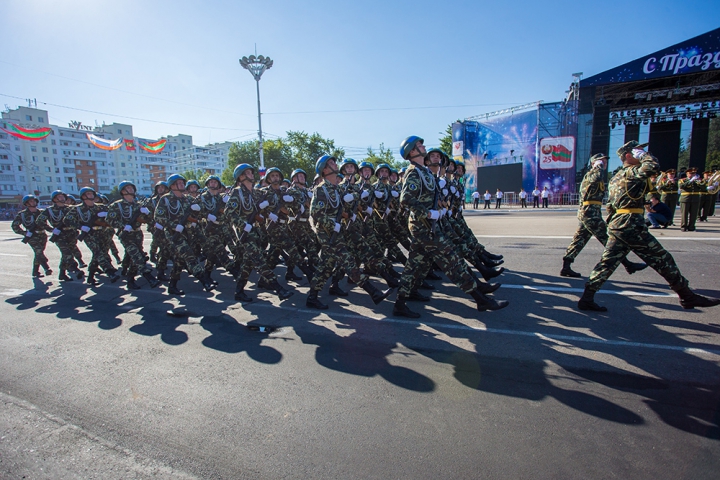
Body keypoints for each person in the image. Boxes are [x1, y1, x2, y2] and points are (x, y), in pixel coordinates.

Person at [577, 141, 720, 312]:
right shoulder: (632, 172)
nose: (642, 152)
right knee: (662, 258)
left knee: (607, 263)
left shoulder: (617, 176)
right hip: (630, 225)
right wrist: (644, 156)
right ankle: (686, 296)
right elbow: (652, 167)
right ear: (628, 156)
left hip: (621, 224)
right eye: (637, 151)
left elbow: (611, 206)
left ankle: (587, 297)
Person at [392, 135, 508, 318]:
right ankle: (480, 299)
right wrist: (429, 213)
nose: (423, 146)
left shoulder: (425, 172)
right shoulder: (413, 173)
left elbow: (428, 197)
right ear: (412, 151)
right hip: (424, 227)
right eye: (419, 145)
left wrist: (438, 207)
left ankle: (400, 302)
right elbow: (406, 200)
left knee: (415, 266)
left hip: (428, 225)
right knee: (452, 260)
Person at [560, 154, 646, 278]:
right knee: (610, 240)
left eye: (605, 161)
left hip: (591, 213)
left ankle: (566, 266)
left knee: (579, 240)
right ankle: (627, 264)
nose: (604, 163)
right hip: (590, 214)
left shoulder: (597, 175)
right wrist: (597, 167)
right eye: (601, 161)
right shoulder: (592, 174)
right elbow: (596, 177)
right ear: (594, 163)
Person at [11, 194, 52, 277]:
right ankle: (46, 268)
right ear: (26, 203)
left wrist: (52, 230)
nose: (33, 202)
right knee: (38, 251)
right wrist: (25, 233)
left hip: (42, 235)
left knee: (38, 253)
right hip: (32, 236)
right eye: (30, 201)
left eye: (33, 201)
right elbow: (14, 226)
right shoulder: (22, 214)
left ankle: (35, 271)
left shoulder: (41, 212)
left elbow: (47, 223)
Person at [679, 167, 702, 231]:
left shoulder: (698, 180)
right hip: (685, 198)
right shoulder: (682, 180)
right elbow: (681, 186)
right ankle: (684, 226)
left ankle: (691, 227)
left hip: (695, 199)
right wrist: (690, 181)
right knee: (684, 214)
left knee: (693, 214)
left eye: (694, 173)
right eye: (691, 173)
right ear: (687, 174)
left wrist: (701, 183)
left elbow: (703, 188)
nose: (693, 175)